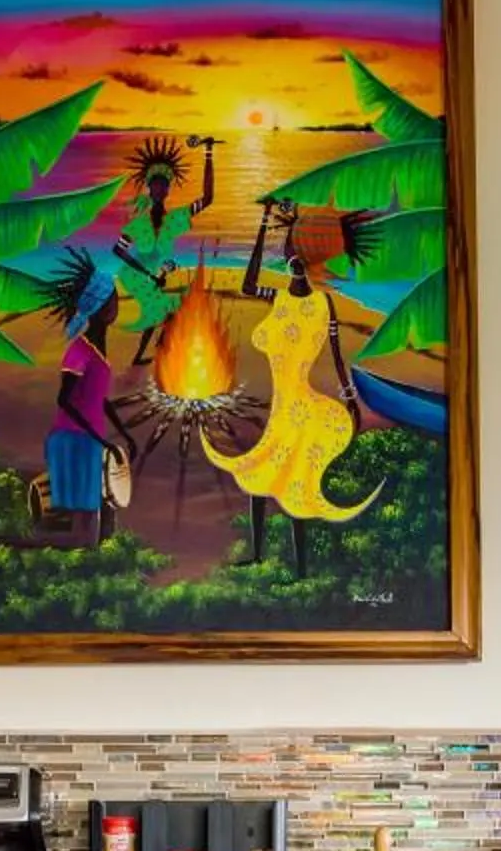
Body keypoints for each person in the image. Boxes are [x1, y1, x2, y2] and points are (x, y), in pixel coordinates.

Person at [203, 256, 380, 568]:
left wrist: (350, 395)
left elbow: (336, 353)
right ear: (287, 263)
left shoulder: (324, 303)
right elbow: (248, 285)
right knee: (259, 473)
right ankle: (259, 556)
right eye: (291, 255)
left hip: (300, 407)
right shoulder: (279, 297)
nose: (296, 262)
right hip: (282, 406)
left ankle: (299, 566)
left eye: (301, 257)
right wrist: (263, 230)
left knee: (295, 483)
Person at [43, 260, 135, 548]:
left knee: (96, 508)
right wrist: (100, 439)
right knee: (87, 512)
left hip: (89, 438)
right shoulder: (80, 350)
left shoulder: (97, 350)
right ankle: (83, 558)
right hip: (74, 439)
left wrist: (124, 433)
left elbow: (98, 398)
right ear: (98, 307)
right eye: (111, 300)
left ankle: (91, 557)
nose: (115, 306)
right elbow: (64, 399)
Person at [112, 135, 216, 365]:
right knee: (162, 309)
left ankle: (151, 351)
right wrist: (147, 273)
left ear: (168, 190)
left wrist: (208, 153)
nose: (160, 189)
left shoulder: (175, 219)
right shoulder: (139, 222)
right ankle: (157, 350)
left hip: (155, 276)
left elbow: (207, 198)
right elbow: (118, 250)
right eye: (156, 185)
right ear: (149, 188)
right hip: (136, 276)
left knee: (166, 310)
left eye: (164, 185)